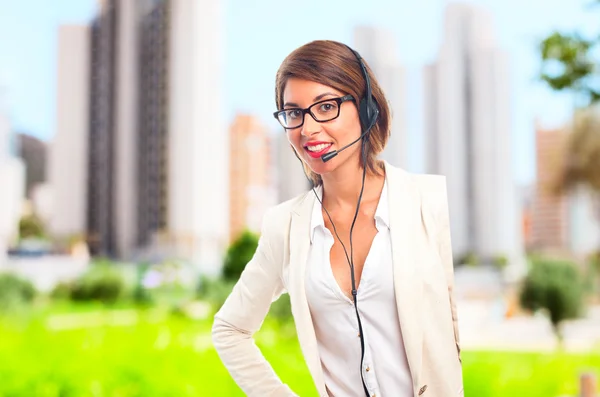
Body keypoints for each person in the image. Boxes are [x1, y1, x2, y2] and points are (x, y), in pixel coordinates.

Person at [212, 40, 464, 397]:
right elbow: (230, 329)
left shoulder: (428, 201)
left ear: (366, 108)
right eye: (294, 113)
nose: (308, 129)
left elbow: (452, 335)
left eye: (326, 106)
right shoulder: (285, 226)